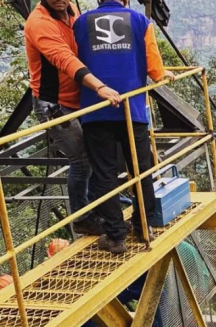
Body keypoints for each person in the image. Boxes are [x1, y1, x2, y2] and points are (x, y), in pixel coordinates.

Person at [73, 0, 174, 254]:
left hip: (96, 111)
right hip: (133, 111)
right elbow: (154, 69)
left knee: (104, 174)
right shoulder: (140, 21)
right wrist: (164, 74)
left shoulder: (81, 22)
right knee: (141, 171)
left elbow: (73, 63)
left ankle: (116, 236)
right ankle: (144, 227)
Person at [24, 0, 121, 236]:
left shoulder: (70, 10)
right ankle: (82, 217)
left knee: (98, 152)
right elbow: (64, 59)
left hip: (78, 99)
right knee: (81, 161)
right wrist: (100, 87)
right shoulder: (39, 23)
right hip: (54, 104)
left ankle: (96, 206)